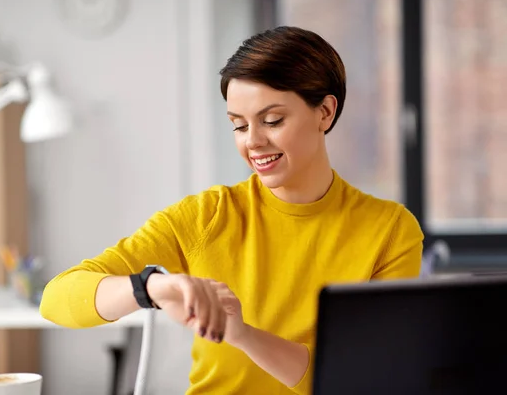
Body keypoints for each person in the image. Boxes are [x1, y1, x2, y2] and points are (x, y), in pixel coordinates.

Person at [40, 26, 424, 395]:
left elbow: (361, 379)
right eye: (239, 126)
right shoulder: (205, 217)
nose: (253, 142)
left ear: (324, 112)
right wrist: (151, 286)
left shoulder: (388, 230)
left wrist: (242, 334)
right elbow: (57, 300)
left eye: (272, 120)